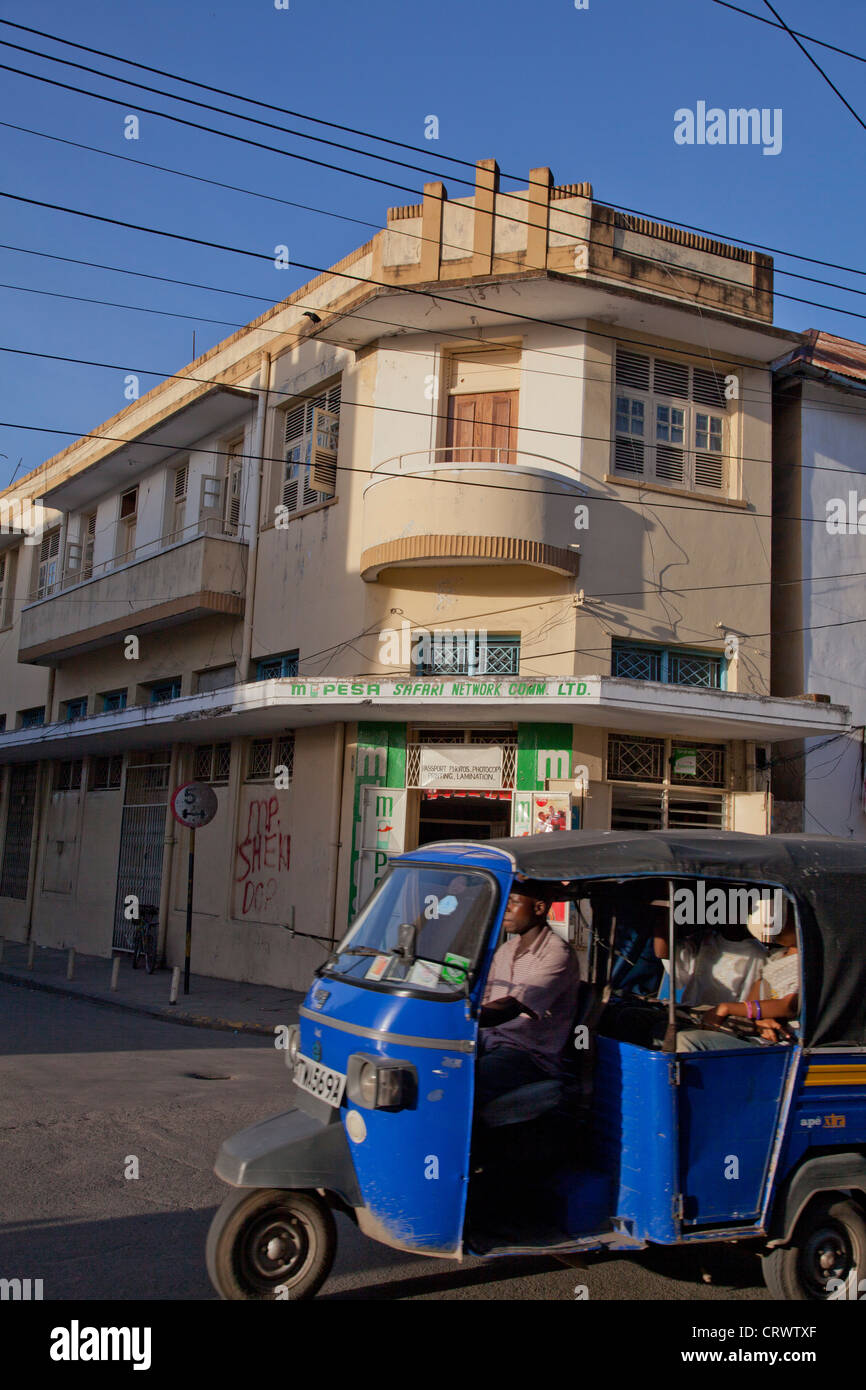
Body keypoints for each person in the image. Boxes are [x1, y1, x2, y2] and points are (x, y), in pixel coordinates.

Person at [475, 879, 581, 1108]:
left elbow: (513, 1006)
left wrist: (461, 1017)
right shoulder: (505, 950)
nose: (506, 910)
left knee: (465, 1081)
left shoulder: (556, 954)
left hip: (528, 1055)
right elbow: (485, 1000)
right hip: (490, 1043)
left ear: (539, 908)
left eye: (513, 902)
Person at [675, 902, 799, 1052]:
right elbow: (756, 993)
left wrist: (726, 1008)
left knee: (687, 1039)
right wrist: (760, 1018)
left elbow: (788, 1006)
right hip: (757, 1030)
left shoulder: (805, 963)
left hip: (780, 1042)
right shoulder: (777, 957)